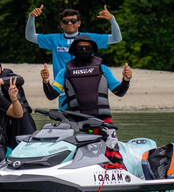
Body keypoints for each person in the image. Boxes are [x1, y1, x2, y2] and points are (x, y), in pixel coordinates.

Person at [39, 35, 132, 169]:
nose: (83, 50)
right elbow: (52, 95)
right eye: (80, 48)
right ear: (73, 51)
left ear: (93, 50)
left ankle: (118, 170)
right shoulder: (65, 72)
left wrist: (126, 80)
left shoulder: (102, 69)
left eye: (87, 48)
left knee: (113, 154)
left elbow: (119, 91)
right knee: (76, 156)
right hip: (76, 123)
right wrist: (46, 82)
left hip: (102, 122)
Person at [26, 5, 123, 77]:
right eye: (65, 21)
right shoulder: (54, 39)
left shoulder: (89, 38)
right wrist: (31, 17)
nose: (69, 23)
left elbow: (116, 39)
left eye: (73, 21)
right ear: (61, 25)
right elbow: (30, 37)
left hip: (87, 84)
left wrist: (112, 19)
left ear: (79, 23)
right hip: (63, 87)